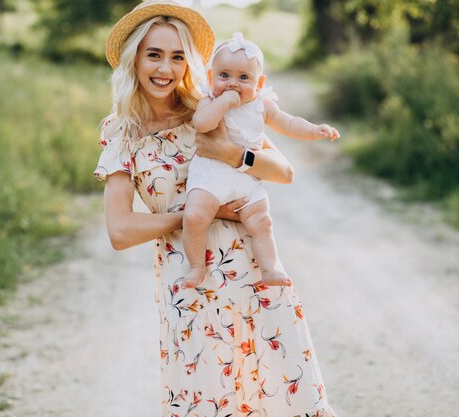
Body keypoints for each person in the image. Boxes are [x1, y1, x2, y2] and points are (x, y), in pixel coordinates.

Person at [94, 1, 338, 416]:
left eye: (176, 57)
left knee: (276, 389)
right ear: (135, 57)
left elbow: (284, 172)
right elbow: (120, 231)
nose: (165, 69)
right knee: (207, 398)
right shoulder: (120, 131)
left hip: (253, 275)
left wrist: (234, 154)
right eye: (154, 55)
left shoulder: (210, 108)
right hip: (188, 283)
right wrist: (198, 213)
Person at [182, 32, 339, 290]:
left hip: (246, 177)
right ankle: (197, 266)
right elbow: (201, 123)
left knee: (262, 221)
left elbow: (288, 123)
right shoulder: (208, 100)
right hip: (210, 174)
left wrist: (314, 130)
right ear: (211, 78)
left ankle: (271, 268)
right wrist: (223, 103)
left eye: (243, 78)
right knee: (195, 216)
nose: (233, 84)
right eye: (224, 76)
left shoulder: (262, 105)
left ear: (259, 82)